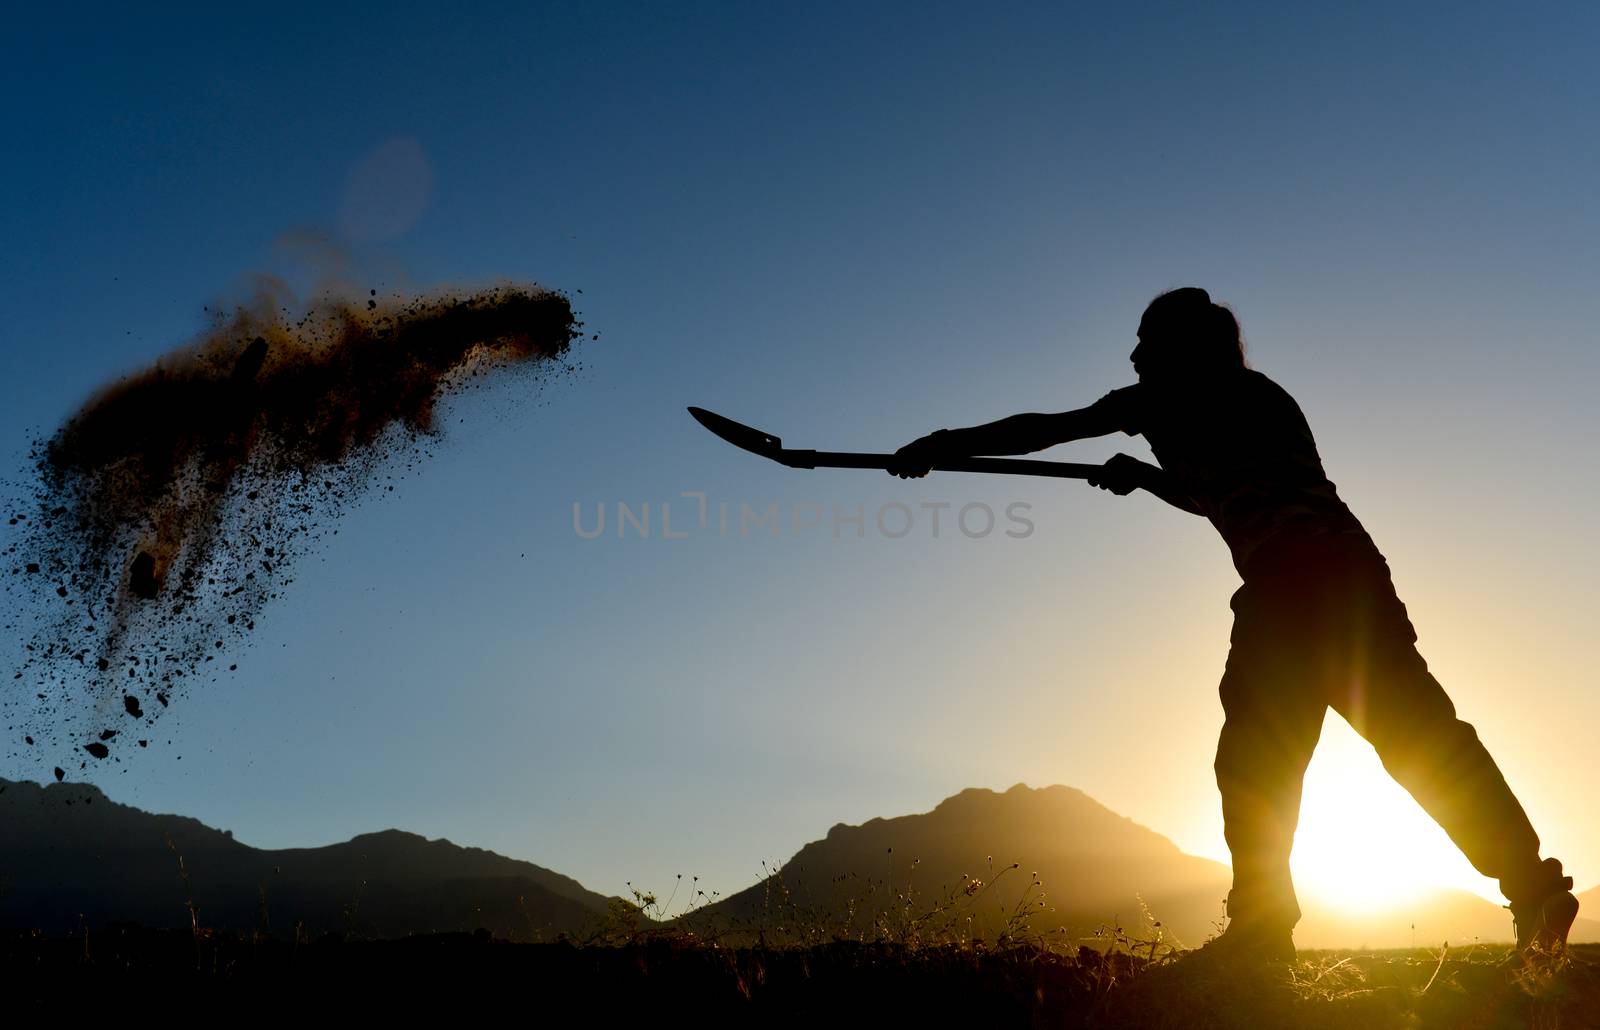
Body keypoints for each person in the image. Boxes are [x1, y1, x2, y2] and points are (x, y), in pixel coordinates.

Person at [887, 287, 1578, 964]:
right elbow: (1226, 492)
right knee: (1417, 737)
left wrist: (942, 446)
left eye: (1145, 341)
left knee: (1256, 760)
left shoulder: (1161, 399)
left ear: (1179, 348)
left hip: (1289, 583)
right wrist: (1148, 479)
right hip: (1350, 577)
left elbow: (1043, 429)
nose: (1131, 355)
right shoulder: (1257, 395)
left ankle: (1260, 933)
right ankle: (1534, 887)